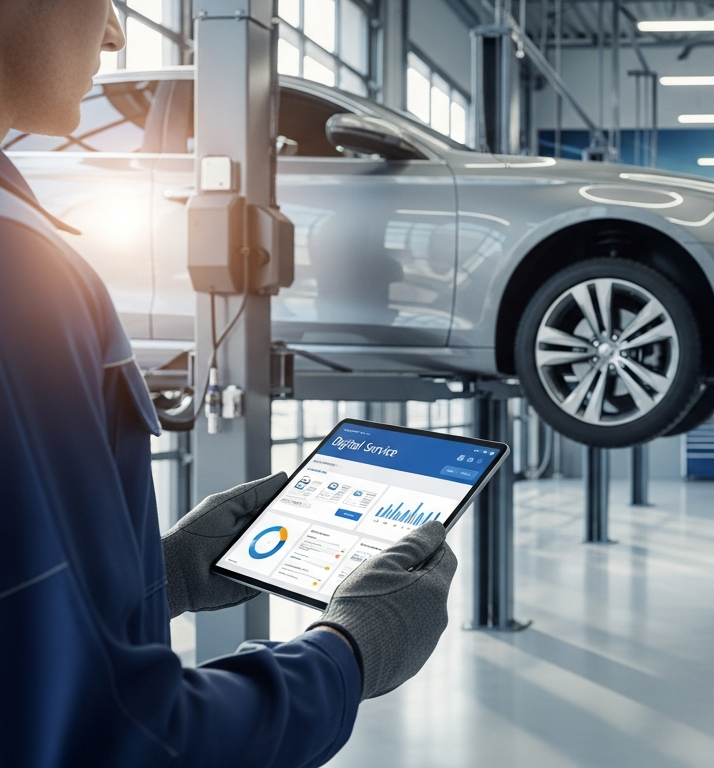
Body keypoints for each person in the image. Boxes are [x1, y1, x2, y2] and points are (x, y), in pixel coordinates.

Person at [0, 2, 458, 766]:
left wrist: (160, 574)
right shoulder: (22, 276)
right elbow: (117, 738)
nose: (115, 31)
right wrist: (349, 654)